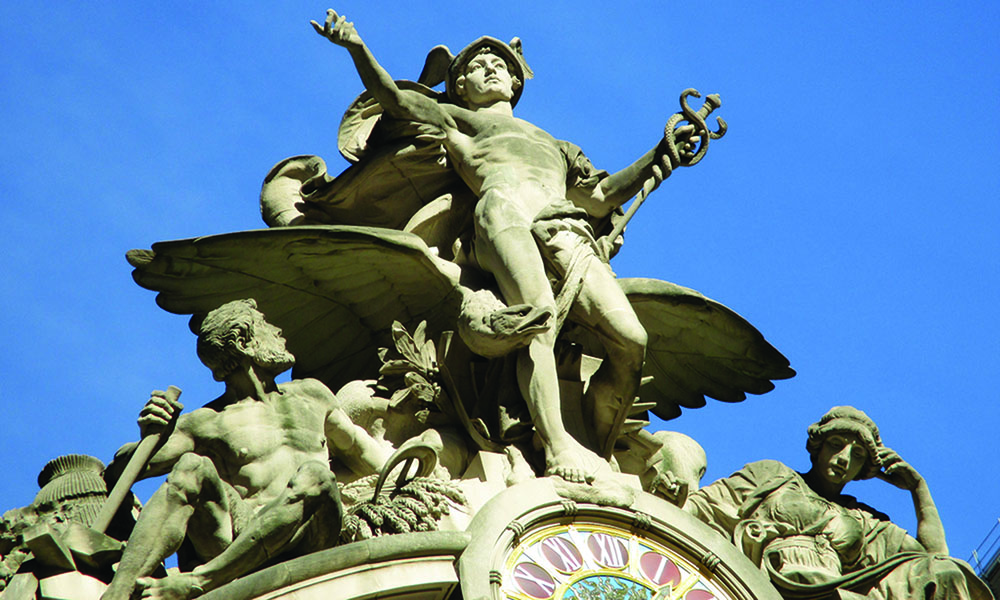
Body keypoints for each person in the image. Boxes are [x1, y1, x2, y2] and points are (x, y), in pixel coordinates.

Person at [311, 10, 694, 484]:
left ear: (515, 83)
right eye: (476, 65)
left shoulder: (556, 144)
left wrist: (660, 153)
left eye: (500, 63)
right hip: (502, 214)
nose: (491, 67)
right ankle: (556, 444)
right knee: (537, 317)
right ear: (459, 87)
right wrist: (356, 47)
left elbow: (599, 197)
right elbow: (393, 99)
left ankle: (594, 442)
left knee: (631, 340)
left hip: (566, 228)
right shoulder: (457, 120)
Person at [101, 299, 392, 600]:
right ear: (244, 343)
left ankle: (200, 581)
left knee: (316, 474)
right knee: (191, 465)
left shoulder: (312, 395)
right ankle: (119, 593)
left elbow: (368, 456)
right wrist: (152, 434)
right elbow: (124, 471)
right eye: (266, 324)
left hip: (311, 532)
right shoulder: (206, 422)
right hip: (239, 538)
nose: (279, 331)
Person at [685, 406, 991, 599]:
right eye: (836, 445)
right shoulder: (773, 474)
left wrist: (918, 489)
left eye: (857, 455)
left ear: (864, 470)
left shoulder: (865, 520)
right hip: (770, 578)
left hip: (836, 592)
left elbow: (935, 562)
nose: (844, 458)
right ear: (818, 447)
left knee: (950, 573)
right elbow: (705, 506)